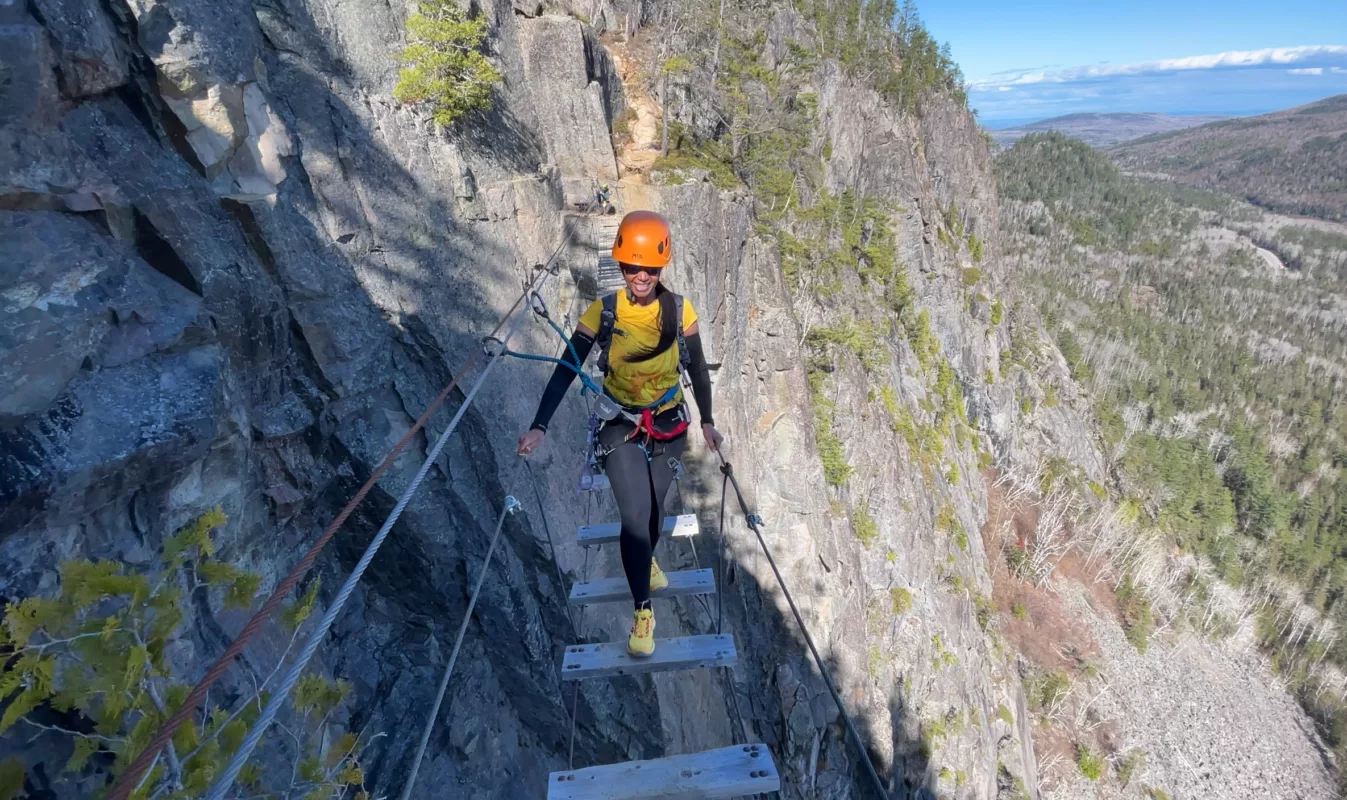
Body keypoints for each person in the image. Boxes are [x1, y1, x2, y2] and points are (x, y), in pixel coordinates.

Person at [518, 210, 722, 657]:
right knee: (634, 516)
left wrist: (706, 420)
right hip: (620, 427)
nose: (641, 276)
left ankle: (646, 558)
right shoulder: (604, 311)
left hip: (668, 425)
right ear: (622, 266)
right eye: (632, 266)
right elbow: (568, 366)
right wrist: (540, 424)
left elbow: (699, 370)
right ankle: (644, 611)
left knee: (653, 512)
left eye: (649, 267)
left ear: (661, 267)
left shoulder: (680, 310)